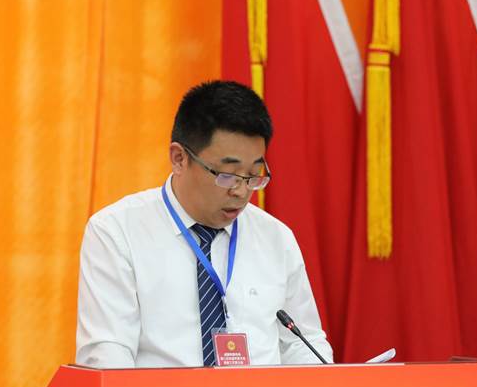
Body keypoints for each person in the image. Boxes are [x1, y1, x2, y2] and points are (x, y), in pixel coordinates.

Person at [76, 80, 333, 368]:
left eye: (253, 175)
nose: (241, 191)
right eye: (227, 175)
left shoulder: (275, 237)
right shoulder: (116, 232)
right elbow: (108, 355)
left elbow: (302, 342)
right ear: (179, 159)